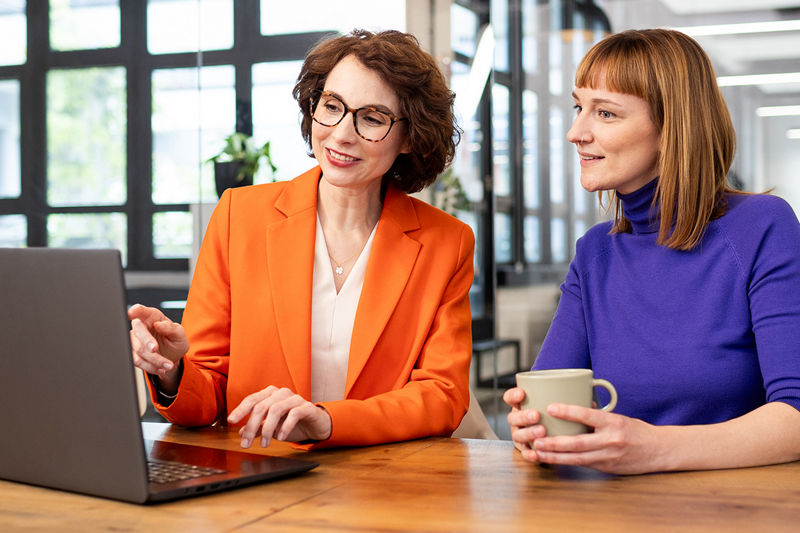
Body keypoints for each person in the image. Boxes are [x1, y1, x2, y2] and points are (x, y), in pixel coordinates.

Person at [129, 29, 474, 450]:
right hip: (256, 476)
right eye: (331, 107)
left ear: (409, 137)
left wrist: (327, 422)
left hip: (382, 483)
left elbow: (443, 396)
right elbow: (210, 394)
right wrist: (172, 371)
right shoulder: (240, 216)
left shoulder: (447, 243)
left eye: (372, 118)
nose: (342, 134)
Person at [504, 28, 800, 474]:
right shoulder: (594, 254)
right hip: (618, 510)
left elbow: (795, 417)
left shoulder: (762, 227)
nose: (575, 132)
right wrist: (531, 425)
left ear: (671, 129)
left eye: (605, 113)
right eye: (578, 107)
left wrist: (654, 448)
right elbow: (553, 401)